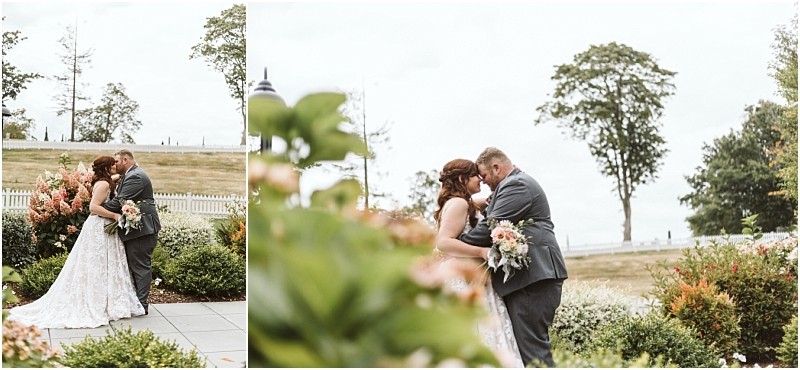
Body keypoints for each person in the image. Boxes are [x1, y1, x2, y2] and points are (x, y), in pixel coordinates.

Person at [459, 147, 568, 367]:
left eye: (486, 176)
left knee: (533, 352)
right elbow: (490, 209)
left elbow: (490, 228)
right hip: (531, 278)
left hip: (533, 277)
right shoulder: (513, 183)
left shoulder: (516, 185)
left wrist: (454, 243)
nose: (484, 181)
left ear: (497, 167)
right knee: (530, 348)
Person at [8, 156, 145, 328]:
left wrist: (131, 170)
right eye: (112, 164)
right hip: (100, 225)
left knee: (100, 263)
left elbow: (115, 179)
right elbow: (93, 208)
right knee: (98, 263)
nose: (115, 167)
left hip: (101, 226)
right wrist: (114, 215)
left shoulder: (105, 181)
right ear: (106, 167)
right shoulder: (103, 184)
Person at [432, 158, 525, 368]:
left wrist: (511, 176)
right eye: (476, 175)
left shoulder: (463, 202)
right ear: (463, 178)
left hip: (469, 275)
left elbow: (490, 201)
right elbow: (444, 242)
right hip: (462, 277)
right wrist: (481, 251)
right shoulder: (459, 204)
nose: (481, 180)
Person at [103, 149, 161, 315]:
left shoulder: (135, 176)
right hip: (138, 229)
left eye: (116, 161)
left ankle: (141, 306)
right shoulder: (131, 174)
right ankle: (137, 303)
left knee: (140, 266)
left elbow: (118, 202)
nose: (114, 165)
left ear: (125, 160)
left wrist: (99, 209)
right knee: (135, 266)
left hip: (143, 229)